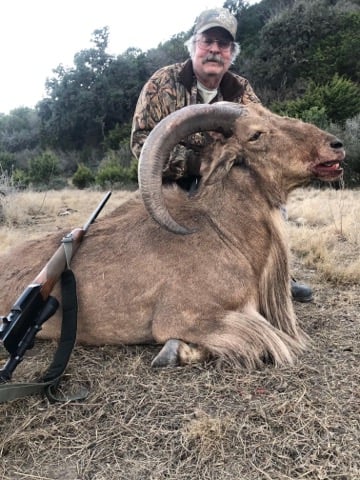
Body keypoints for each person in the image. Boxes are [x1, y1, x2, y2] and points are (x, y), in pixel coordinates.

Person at [130, 7, 313, 303]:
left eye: (223, 44)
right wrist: (195, 163)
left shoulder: (241, 91)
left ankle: (275, 276)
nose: (214, 50)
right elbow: (141, 143)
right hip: (178, 183)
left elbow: (265, 136)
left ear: (231, 52)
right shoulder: (162, 84)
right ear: (193, 45)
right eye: (207, 41)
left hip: (226, 180)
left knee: (269, 198)